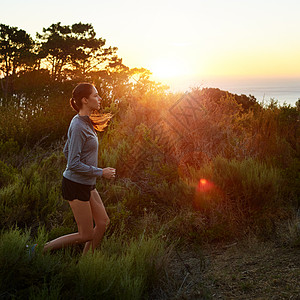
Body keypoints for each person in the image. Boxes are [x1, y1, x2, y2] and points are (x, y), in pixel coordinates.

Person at [43, 82, 115, 256]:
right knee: (86, 234)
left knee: (103, 222)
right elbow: (73, 163)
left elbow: (67, 150)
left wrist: (87, 172)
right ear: (85, 100)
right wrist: (100, 172)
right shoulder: (77, 125)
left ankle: (85, 264)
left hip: (86, 183)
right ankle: (39, 249)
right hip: (75, 185)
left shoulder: (85, 121)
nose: (100, 98)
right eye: (95, 95)